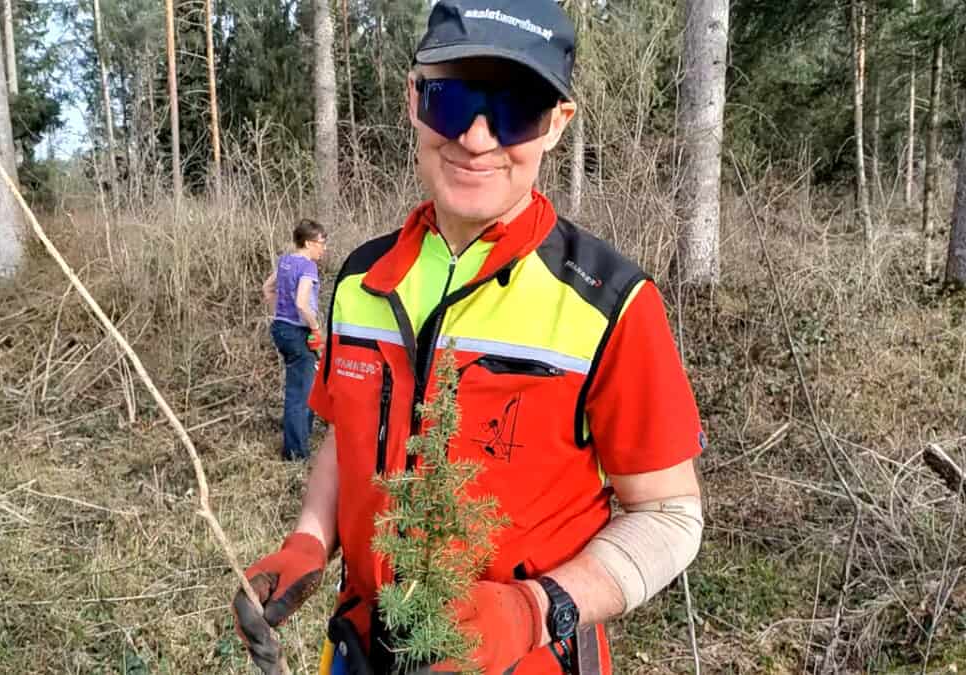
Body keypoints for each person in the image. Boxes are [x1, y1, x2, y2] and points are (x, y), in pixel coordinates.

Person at [234, 0, 706, 672]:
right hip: (362, 649)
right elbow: (349, 437)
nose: (478, 139)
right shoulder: (362, 279)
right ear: (414, 100)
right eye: (452, 100)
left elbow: (670, 517)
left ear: (557, 123)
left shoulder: (610, 303)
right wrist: (310, 539)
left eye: (515, 110)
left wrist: (534, 610)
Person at [262, 218, 327, 461]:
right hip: (299, 332)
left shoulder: (286, 261)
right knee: (300, 394)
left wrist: (278, 315)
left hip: (281, 329)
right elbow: (301, 303)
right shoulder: (308, 267)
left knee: (302, 388)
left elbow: (267, 288)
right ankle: (296, 454)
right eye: (321, 243)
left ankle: (300, 439)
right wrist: (315, 328)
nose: (323, 248)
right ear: (308, 243)